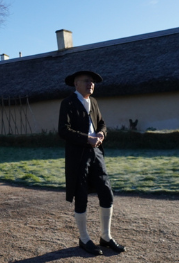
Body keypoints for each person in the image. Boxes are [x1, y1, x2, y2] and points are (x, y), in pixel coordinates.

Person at [58, 70, 126, 255]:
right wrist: (86, 138)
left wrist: (102, 133)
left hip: (96, 152)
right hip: (78, 155)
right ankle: (84, 238)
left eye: (93, 82)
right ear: (76, 84)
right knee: (81, 197)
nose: (91, 84)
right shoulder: (68, 103)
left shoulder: (94, 102)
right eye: (87, 81)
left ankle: (106, 236)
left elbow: (102, 123)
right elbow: (63, 130)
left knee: (106, 192)